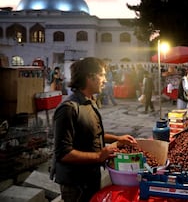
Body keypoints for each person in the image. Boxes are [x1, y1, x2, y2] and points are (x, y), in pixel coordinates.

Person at [52, 57, 136, 202]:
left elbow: (93, 134)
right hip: (76, 184)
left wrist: (117, 139)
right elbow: (63, 153)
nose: (105, 80)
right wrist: (98, 156)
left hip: (90, 176)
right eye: (102, 75)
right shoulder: (69, 108)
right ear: (89, 77)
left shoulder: (89, 101)